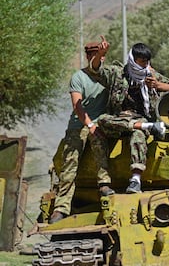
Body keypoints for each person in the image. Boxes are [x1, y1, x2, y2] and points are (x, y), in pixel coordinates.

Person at [90, 42, 169, 194]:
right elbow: (96, 70)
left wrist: (157, 85)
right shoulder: (118, 73)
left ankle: (135, 180)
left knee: (138, 135)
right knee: (102, 120)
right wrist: (100, 54)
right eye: (142, 61)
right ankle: (149, 127)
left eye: (147, 61)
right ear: (133, 59)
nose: (145, 64)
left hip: (140, 119)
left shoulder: (150, 74)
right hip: (118, 121)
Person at [49, 36, 113, 224]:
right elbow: (78, 106)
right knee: (69, 164)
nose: (97, 57)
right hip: (80, 124)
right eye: (93, 54)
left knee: (99, 140)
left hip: (102, 124)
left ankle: (104, 183)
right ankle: (61, 208)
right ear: (88, 56)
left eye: (99, 54)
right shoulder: (79, 77)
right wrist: (90, 125)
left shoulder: (109, 76)